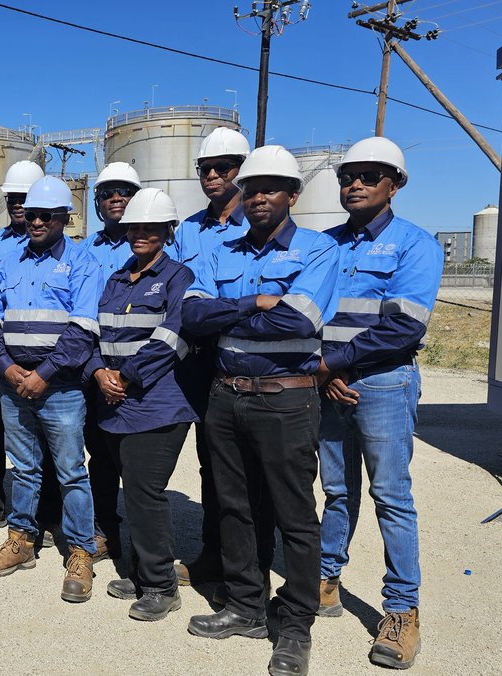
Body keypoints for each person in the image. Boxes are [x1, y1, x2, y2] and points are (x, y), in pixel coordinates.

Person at [182, 146, 339, 676]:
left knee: (294, 515)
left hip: (286, 399)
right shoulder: (220, 248)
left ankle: (295, 626)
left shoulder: (318, 251)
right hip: (226, 397)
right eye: (251, 189)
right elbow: (193, 315)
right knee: (235, 507)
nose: (259, 197)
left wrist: (230, 318)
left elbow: (300, 322)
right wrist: (255, 303)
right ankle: (246, 607)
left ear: (293, 195)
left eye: (271, 188)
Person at [317, 137, 441, 670]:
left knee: (391, 495)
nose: (356, 184)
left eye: (370, 175)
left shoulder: (415, 245)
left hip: (384, 383)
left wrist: (338, 363)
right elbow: (307, 317)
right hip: (330, 384)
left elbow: (404, 326)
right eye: (349, 176)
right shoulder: (324, 244)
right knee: (337, 490)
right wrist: (323, 371)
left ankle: (402, 611)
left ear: (396, 184)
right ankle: (325, 580)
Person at [0, 176, 101, 602]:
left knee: (70, 471)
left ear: (65, 217)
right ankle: (22, 541)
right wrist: (8, 369)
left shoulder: (83, 262)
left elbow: (84, 329)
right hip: (14, 384)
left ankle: (81, 550)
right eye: (31, 214)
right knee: (24, 467)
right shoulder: (8, 261)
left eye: (46, 215)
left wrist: (44, 373)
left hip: (60, 387)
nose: (36, 221)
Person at [168, 128, 275, 591]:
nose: (212, 175)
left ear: (242, 171)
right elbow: (177, 295)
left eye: (224, 168)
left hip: (244, 357)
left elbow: (270, 300)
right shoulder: (187, 230)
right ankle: (214, 555)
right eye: (205, 169)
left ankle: (252, 567)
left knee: (251, 469)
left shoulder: (259, 224)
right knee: (213, 463)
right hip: (196, 358)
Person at [89, 188, 199, 621]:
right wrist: (99, 372)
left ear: (168, 232)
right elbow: (95, 332)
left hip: (158, 403)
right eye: (134, 227)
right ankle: (141, 570)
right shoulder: (117, 279)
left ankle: (160, 585)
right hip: (114, 401)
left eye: (150, 228)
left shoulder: (178, 278)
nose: (140, 234)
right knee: (132, 492)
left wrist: (126, 375)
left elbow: (174, 337)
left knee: (144, 491)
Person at [70, 161, 144, 561]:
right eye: (107, 193)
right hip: (93, 365)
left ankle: (147, 543)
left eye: (124, 191)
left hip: (141, 369)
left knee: (136, 460)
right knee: (98, 453)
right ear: (97, 202)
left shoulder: (159, 244)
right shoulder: (85, 251)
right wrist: (97, 368)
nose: (116, 198)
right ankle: (105, 531)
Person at [0, 160, 46, 529]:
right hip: (0, 356)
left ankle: (45, 512)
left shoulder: (59, 247)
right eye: (12, 198)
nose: (18, 204)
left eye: (25, 197)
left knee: (46, 439)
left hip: (43, 359)